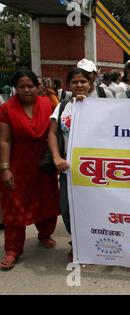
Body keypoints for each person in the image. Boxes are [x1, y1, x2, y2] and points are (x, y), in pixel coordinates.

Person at [0, 71, 60, 270]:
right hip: (17, 164)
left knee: (47, 200)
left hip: (43, 163)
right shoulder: (7, 109)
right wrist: (5, 168)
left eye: (30, 86)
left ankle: (45, 235)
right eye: (21, 86)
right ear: (15, 89)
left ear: (38, 87)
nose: (26, 90)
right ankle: (13, 250)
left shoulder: (49, 104)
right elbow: (4, 140)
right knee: (14, 206)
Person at [48, 68, 95, 260]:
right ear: (69, 85)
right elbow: (51, 133)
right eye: (75, 82)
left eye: (83, 81)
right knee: (67, 210)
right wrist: (56, 157)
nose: (80, 85)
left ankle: (89, 245)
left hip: (95, 170)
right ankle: (76, 241)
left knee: (94, 209)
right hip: (69, 169)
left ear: (90, 83)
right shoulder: (63, 106)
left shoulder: (103, 106)